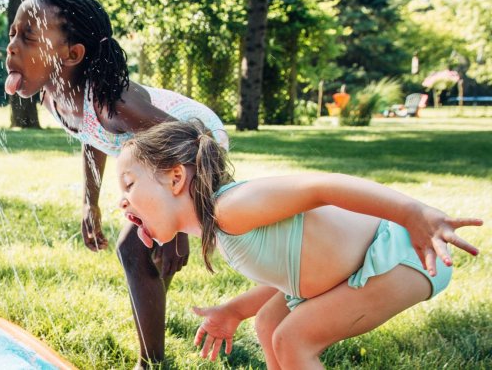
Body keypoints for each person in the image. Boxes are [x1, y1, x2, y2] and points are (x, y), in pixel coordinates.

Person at [115, 119, 483, 369]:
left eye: (129, 184)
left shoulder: (230, 207)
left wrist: (412, 213)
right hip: (357, 266)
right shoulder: (221, 228)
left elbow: (322, 187)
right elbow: (290, 273)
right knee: (269, 325)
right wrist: (235, 311)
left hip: (397, 255)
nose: (122, 200)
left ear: (176, 177)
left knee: (293, 339)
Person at [3, 0, 228, 366]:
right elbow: (91, 138)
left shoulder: (115, 104)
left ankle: (150, 362)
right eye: (12, 34)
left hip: (195, 142)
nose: (11, 46)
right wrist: (89, 203)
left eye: (28, 37)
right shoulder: (55, 98)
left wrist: (182, 220)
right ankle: (154, 305)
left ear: (72, 55)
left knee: (133, 248)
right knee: (146, 251)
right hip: (158, 155)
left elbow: (192, 143)